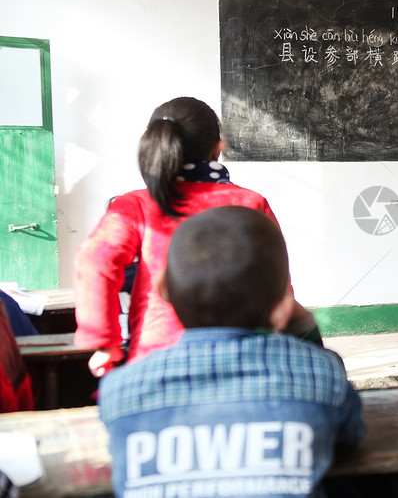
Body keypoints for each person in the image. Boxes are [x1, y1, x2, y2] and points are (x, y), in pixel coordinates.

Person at [98, 206, 365, 498]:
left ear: (162, 289)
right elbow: (347, 438)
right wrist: (303, 328)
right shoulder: (322, 376)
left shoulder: (119, 390)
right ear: (282, 310)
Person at [74, 97, 319, 378]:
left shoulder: (135, 206)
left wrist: (104, 342)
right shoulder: (249, 202)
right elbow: (276, 283)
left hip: (156, 360)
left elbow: (94, 260)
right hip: (245, 359)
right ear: (218, 147)